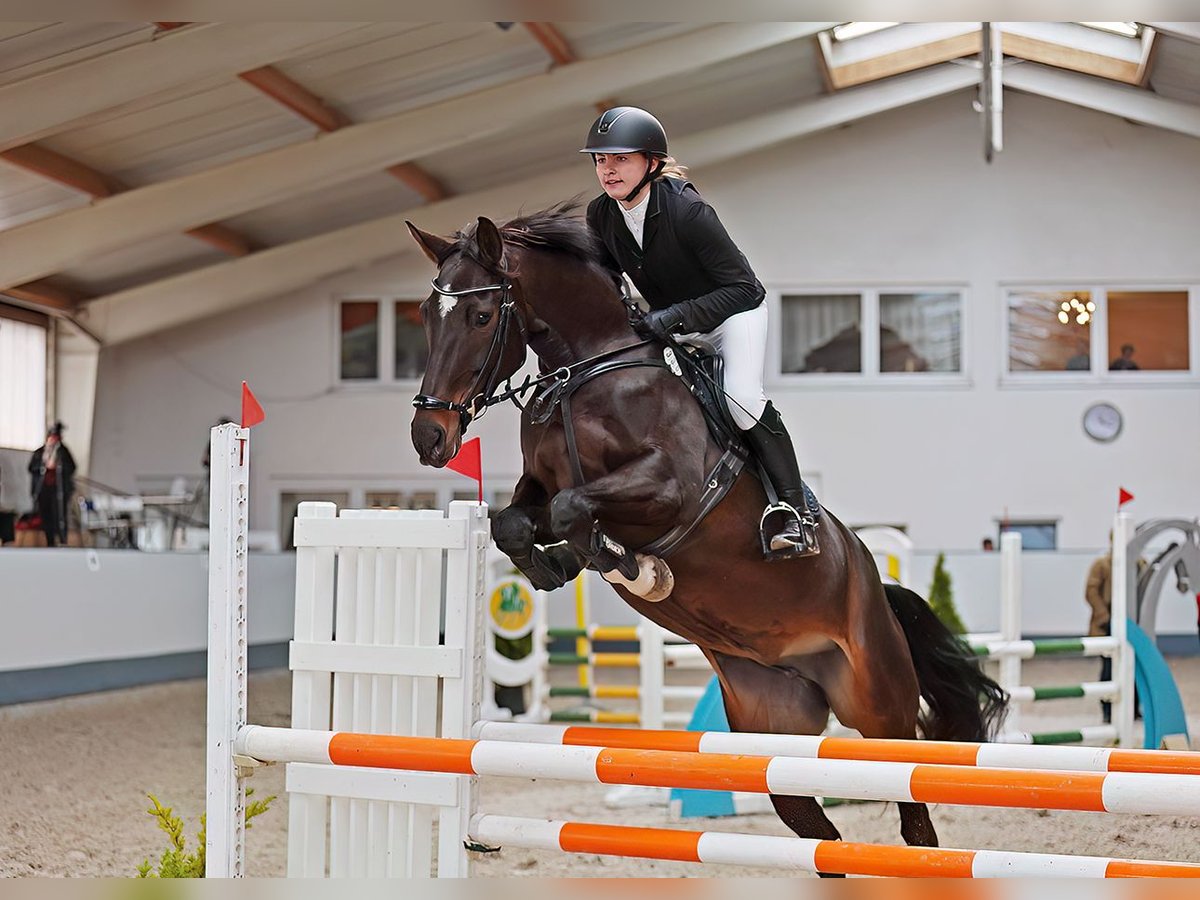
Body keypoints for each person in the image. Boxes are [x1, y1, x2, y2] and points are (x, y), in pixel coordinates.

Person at [581, 106, 817, 558]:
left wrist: (672, 317)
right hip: (673, 323)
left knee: (741, 400)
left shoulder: (687, 211)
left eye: (620, 159)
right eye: (600, 160)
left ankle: (793, 509)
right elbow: (607, 280)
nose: (607, 170)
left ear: (651, 163)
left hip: (733, 317)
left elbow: (746, 288)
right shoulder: (602, 215)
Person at [27, 421, 76, 547]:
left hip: (59, 492)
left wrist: (58, 466)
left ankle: (63, 541)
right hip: (43, 491)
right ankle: (50, 543)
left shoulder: (63, 452)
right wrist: (44, 466)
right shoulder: (39, 452)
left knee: (59, 517)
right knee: (46, 517)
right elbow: (31, 467)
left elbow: (72, 467)